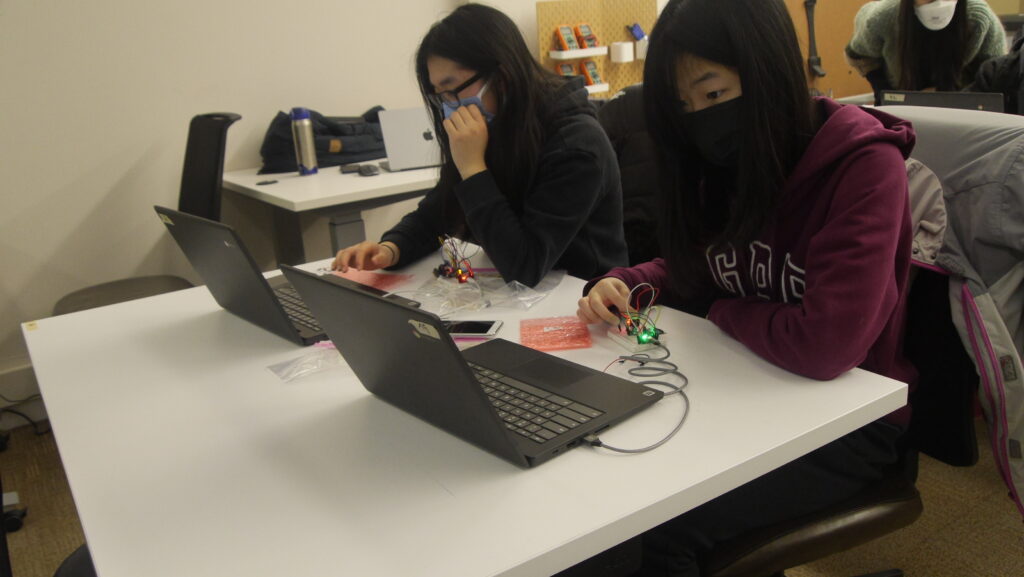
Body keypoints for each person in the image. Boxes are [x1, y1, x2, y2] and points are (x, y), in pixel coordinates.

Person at [575, 0, 918, 574]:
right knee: (604, 487)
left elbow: (826, 345)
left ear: (767, 72)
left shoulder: (862, 167)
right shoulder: (727, 164)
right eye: (684, 106)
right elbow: (698, 269)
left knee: (653, 533)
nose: (701, 119)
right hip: (751, 388)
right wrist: (627, 281)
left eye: (713, 95)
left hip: (852, 423)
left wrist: (720, 310)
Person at [332, 3, 627, 288]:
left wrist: (473, 168)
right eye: (441, 95)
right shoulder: (497, 123)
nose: (451, 106)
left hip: (585, 300)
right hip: (521, 297)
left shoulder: (577, 145)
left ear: (502, 75)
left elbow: (524, 266)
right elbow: (439, 209)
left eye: (454, 89)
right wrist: (391, 248)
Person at [845, 0, 1006, 98]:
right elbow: (860, 55)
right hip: (901, 99)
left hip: (962, 101)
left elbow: (995, 73)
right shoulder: (883, 17)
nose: (938, 3)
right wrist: (885, 92)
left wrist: (947, 94)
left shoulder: (979, 18)